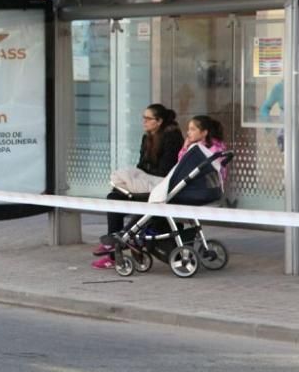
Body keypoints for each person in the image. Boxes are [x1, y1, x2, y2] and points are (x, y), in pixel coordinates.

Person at [92, 103, 183, 269]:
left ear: (159, 121)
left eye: (148, 118)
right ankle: (113, 250)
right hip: (147, 183)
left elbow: (165, 169)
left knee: (121, 197)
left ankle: (118, 244)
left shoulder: (172, 138)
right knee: (114, 197)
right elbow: (141, 165)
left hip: (160, 186)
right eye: (143, 118)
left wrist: (140, 176)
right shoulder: (147, 137)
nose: (144, 121)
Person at [179, 115, 228, 180]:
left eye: (192, 129)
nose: (188, 133)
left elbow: (185, 166)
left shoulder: (214, 149)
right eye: (188, 129)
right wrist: (185, 147)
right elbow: (181, 166)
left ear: (204, 133)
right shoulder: (196, 146)